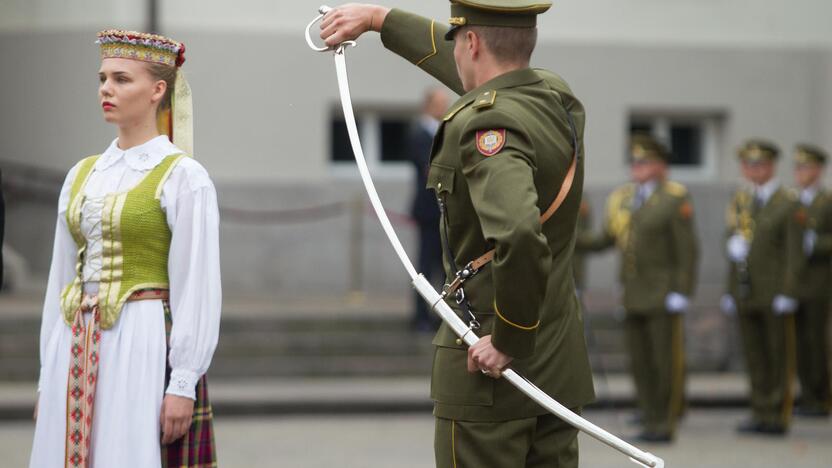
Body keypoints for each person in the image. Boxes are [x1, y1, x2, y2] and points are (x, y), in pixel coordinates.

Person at [321, 2, 595, 466]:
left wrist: (508, 339)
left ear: (470, 42)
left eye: (458, 39)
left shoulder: (489, 124)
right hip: (556, 364)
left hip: (493, 371)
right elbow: (484, 74)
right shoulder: (555, 98)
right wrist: (380, 20)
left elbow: (520, 237)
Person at [30, 29, 221, 467]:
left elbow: (197, 284)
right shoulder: (82, 173)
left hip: (141, 338)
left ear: (157, 90)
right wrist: (46, 375)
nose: (106, 90)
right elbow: (60, 279)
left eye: (121, 79)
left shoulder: (183, 176)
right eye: (102, 79)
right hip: (73, 342)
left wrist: (182, 383)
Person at [576, 134, 698, 442]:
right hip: (632, 292)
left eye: (644, 162)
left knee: (664, 361)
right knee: (640, 360)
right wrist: (570, 239)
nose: (637, 167)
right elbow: (608, 238)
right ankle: (648, 414)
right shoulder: (627, 198)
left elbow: (687, 250)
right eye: (634, 162)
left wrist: (681, 291)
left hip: (662, 293)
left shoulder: (674, 199)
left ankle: (665, 422)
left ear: (659, 165)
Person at [721, 139, 803, 435]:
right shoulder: (742, 199)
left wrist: (789, 291)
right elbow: (731, 247)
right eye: (747, 165)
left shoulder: (787, 201)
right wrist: (730, 290)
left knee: (778, 355)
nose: (751, 170)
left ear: (770, 166)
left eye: (757, 164)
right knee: (754, 355)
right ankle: (759, 410)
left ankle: (778, 416)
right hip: (747, 291)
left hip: (775, 292)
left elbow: (795, 252)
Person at [791, 144, 832, 417]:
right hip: (795, 282)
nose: (800, 173)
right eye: (797, 168)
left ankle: (821, 398)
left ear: (818, 170)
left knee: (817, 343)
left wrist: (815, 243)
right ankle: (806, 395)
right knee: (799, 344)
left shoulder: (826, 201)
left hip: (819, 282)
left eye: (805, 167)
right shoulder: (793, 201)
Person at [408, 87, 450, 332]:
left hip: (445, 211)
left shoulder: (443, 132)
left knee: (445, 267)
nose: (444, 107)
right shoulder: (419, 134)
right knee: (425, 264)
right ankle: (421, 315)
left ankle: (442, 316)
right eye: (440, 103)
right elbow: (428, 168)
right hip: (428, 211)